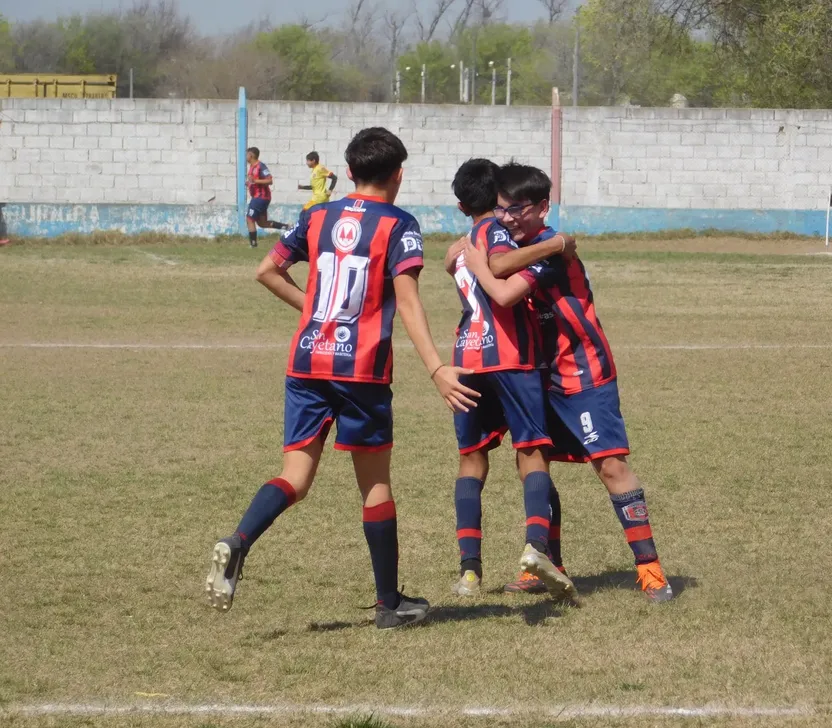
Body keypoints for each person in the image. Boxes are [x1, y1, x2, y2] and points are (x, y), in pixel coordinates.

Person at [205, 128, 480, 629]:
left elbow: (267, 270)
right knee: (375, 484)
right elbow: (411, 302)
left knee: (295, 477)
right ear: (399, 174)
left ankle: (239, 540)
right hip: (362, 370)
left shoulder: (315, 215)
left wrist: (313, 311)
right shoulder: (399, 224)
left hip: (308, 361)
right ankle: (388, 605)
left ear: (348, 173)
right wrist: (438, 368)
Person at [462, 162, 674, 603]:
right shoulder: (516, 241)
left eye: (518, 210)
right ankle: (548, 566)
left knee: (610, 466)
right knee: (534, 462)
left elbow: (500, 280)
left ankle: (651, 571)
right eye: (501, 210)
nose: (508, 219)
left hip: (582, 371)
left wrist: (481, 255)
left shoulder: (552, 252)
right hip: (539, 373)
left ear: (543, 207)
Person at [446, 159, 576, 602]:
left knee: (471, 459)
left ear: (462, 204)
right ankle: (536, 548)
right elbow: (500, 275)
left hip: (467, 356)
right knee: (533, 451)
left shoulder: (461, 244)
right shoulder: (494, 236)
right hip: (512, 356)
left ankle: (468, 572)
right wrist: (557, 244)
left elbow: (457, 269)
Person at [245, 147, 290, 248]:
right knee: (262, 223)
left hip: (260, 198)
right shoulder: (252, 166)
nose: (246, 157)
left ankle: (253, 244)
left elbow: (269, 180)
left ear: (251, 155)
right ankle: (287, 227)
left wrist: (255, 181)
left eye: (247, 154)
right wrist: (249, 184)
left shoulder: (261, 166)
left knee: (249, 218)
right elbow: (254, 182)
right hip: (259, 198)